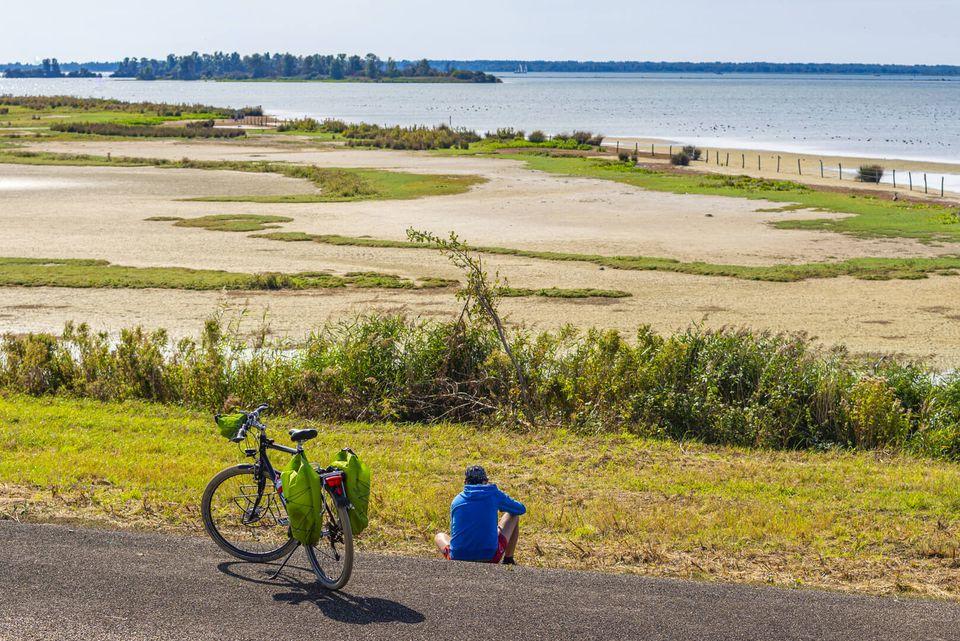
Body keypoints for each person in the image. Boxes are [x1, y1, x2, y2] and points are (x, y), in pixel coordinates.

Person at [434, 465, 525, 565]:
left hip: (458, 557)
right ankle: (508, 560)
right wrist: (502, 501)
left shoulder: (457, 500)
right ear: (486, 481)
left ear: (465, 482)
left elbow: (454, 530)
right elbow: (520, 509)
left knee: (439, 536)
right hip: (490, 557)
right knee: (514, 515)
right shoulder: (494, 494)